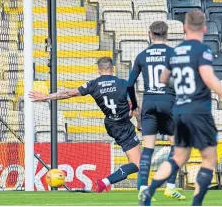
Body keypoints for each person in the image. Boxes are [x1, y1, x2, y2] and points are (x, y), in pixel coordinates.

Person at [139, 11, 222, 206]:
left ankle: (149, 192)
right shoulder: (202, 50)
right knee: (209, 158)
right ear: (204, 29)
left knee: (178, 157)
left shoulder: (176, 51)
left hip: (180, 110)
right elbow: (209, 78)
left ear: (184, 28)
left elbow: (163, 79)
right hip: (199, 110)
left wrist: (181, 85)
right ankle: (196, 204)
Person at [29, 57, 141, 193]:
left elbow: (68, 94)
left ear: (99, 70)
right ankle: (106, 182)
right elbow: (135, 108)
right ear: (113, 69)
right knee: (136, 163)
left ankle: (112, 183)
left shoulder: (92, 84)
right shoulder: (124, 84)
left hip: (111, 124)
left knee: (136, 161)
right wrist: (139, 124)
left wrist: (45, 97)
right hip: (123, 125)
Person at [128, 21, 185, 200]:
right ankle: (169, 186)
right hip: (169, 101)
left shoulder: (142, 55)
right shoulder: (173, 54)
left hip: (149, 102)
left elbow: (129, 84)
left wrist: (136, 104)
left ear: (150, 34)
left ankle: (144, 188)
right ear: (167, 34)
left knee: (148, 148)